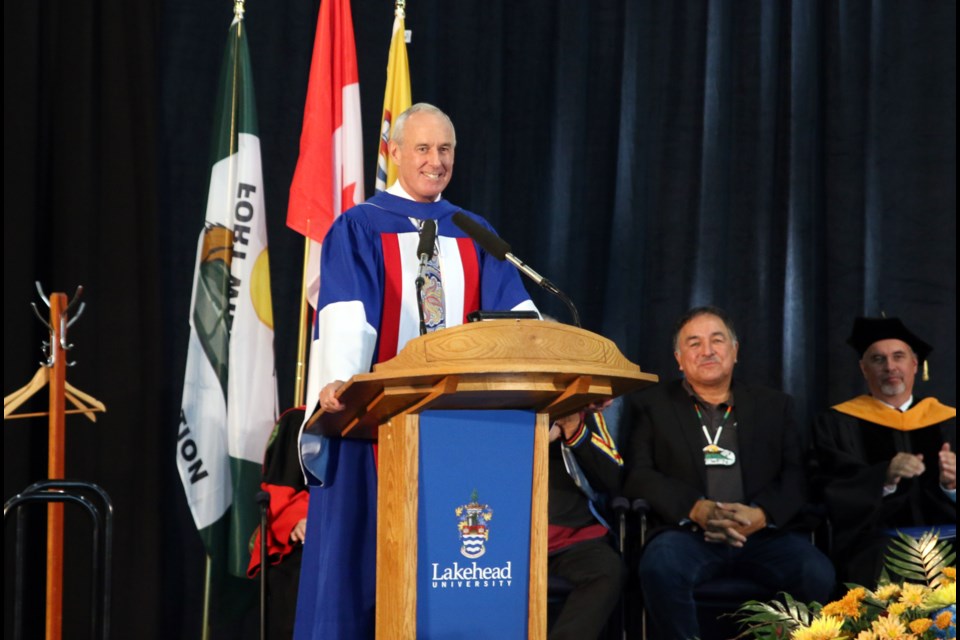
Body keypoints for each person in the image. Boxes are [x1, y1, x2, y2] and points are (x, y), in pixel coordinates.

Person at [294, 103, 537, 640]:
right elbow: (346, 311)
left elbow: (516, 319)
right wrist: (342, 380)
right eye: (423, 148)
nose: (435, 160)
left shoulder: (474, 232)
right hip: (376, 431)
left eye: (445, 149)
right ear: (395, 153)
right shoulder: (358, 227)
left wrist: (546, 360)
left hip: (463, 433)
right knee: (361, 572)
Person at [622, 306, 834, 640]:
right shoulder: (652, 405)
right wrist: (695, 508)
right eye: (694, 343)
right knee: (659, 567)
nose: (706, 351)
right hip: (689, 535)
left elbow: (797, 476)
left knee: (815, 572)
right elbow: (638, 475)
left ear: (734, 351)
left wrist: (762, 514)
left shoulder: (774, 406)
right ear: (679, 359)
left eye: (716, 340)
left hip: (761, 534)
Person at [813, 316, 956, 585]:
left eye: (898, 357)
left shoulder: (949, 420)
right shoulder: (836, 423)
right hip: (875, 542)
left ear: (915, 364)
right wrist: (884, 477)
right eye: (878, 359)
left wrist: (953, 486)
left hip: (949, 537)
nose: (890, 366)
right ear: (863, 369)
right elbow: (827, 488)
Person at [548, 408, 626, 640]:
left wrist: (574, 429)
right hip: (502, 541)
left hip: (573, 539)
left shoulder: (579, 406)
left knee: (607, 570)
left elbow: (615, 479)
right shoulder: (488, 403)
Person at [247, 407, 309, 640]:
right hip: (302, 555)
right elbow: (280, 491)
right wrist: (298, 519)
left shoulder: (374, 421)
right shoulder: (300, 421)